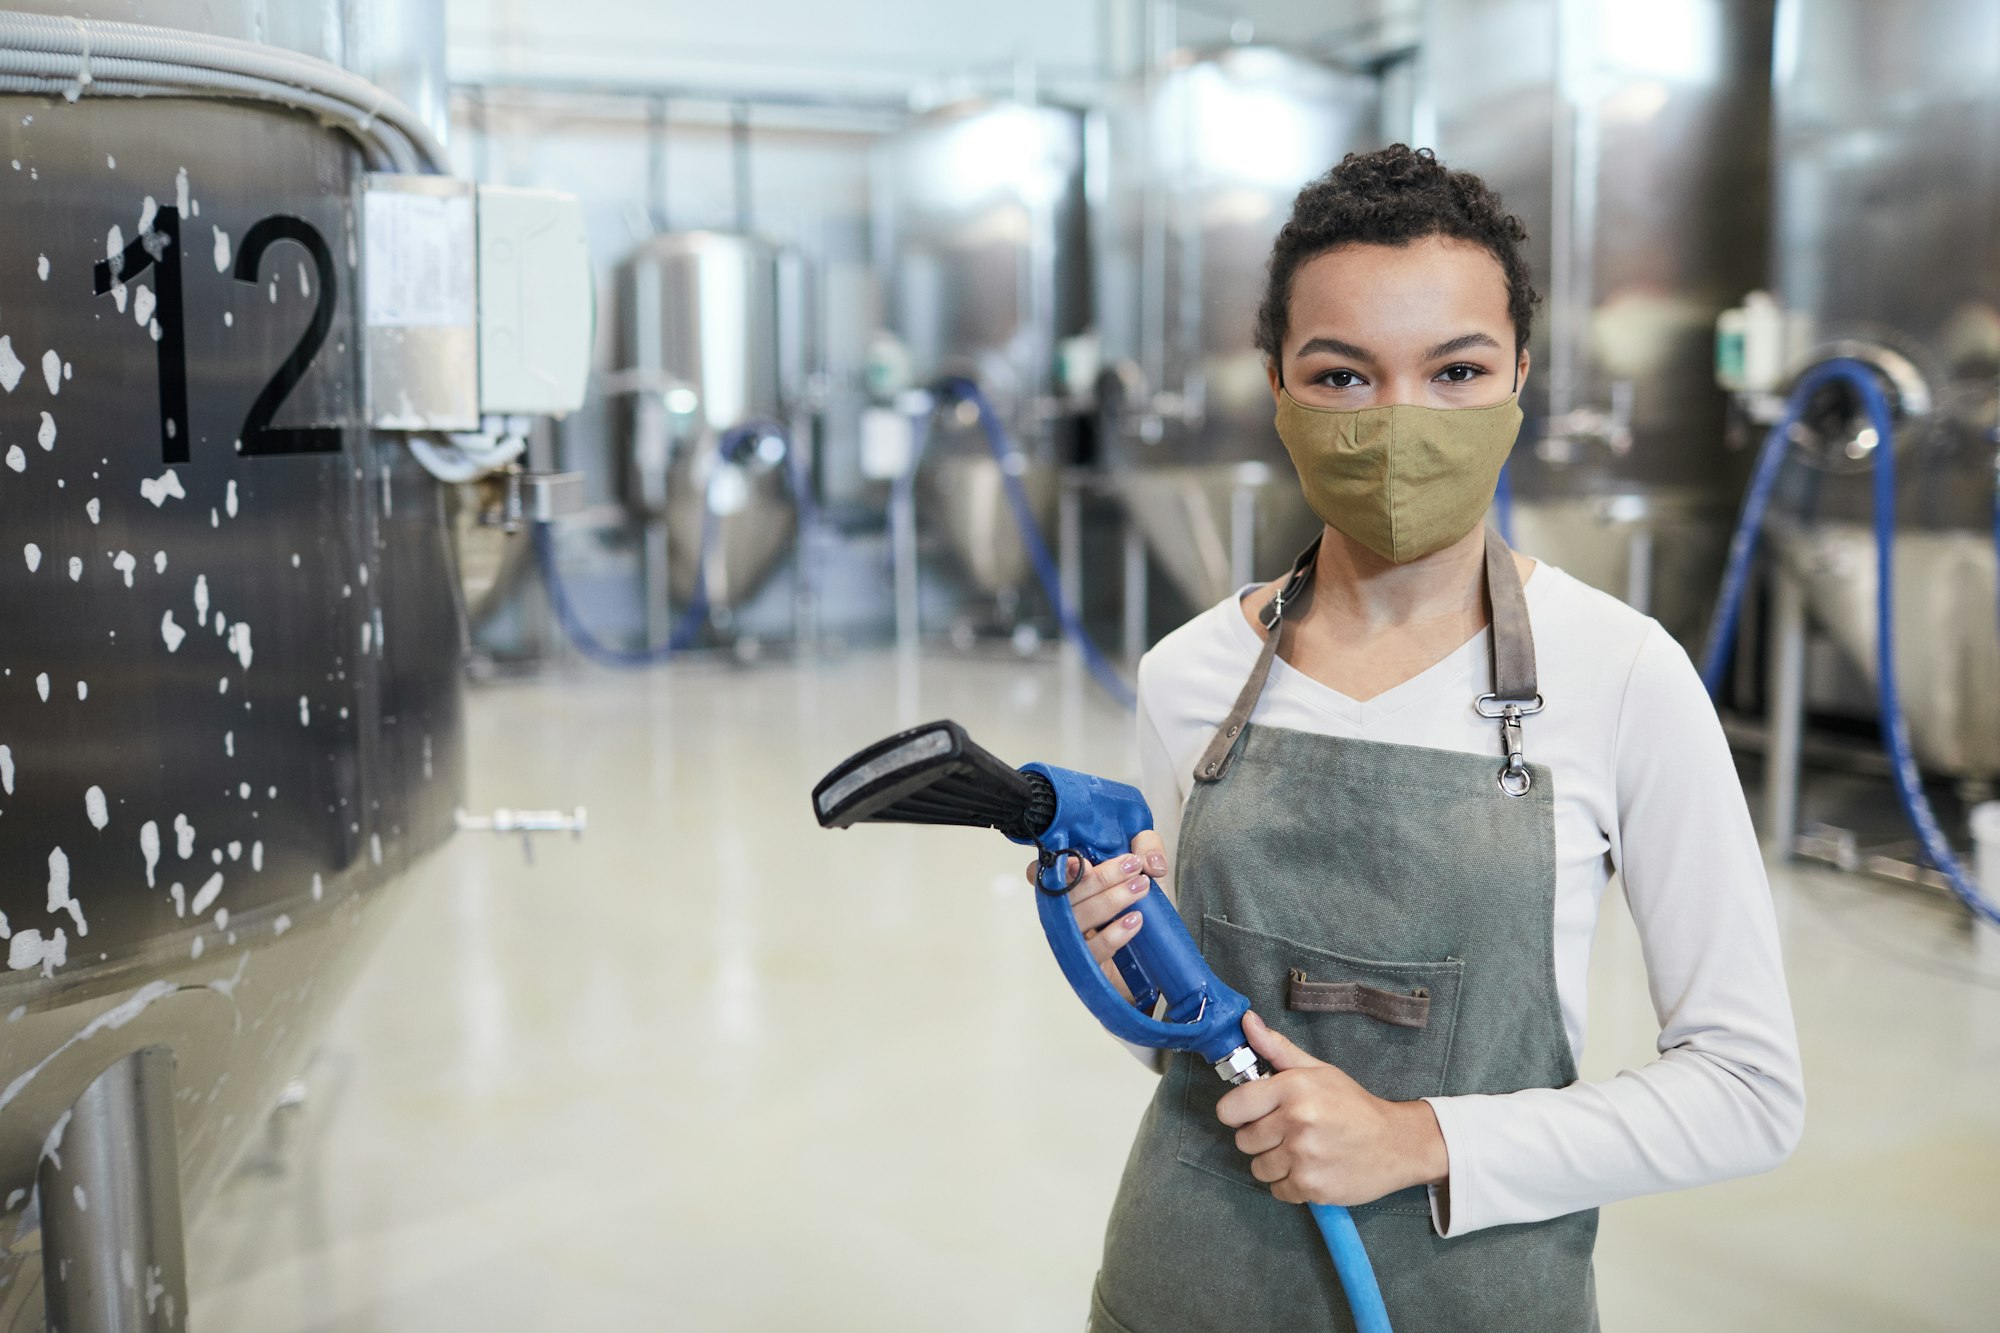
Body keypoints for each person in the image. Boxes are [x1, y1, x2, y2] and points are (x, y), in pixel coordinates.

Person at [1056, 145, 1804, 1332]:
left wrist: (1416, 1139)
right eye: (1343, 377)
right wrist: (1126, 957)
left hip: (1473, 1296)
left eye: (1453, 370)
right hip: (1182, 1285)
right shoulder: (1188, 673)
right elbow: (1179, 1052)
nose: (1401, 424)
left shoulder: (1621, 675)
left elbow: (1747, 1091)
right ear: (1277, 387)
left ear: (1517, 375)